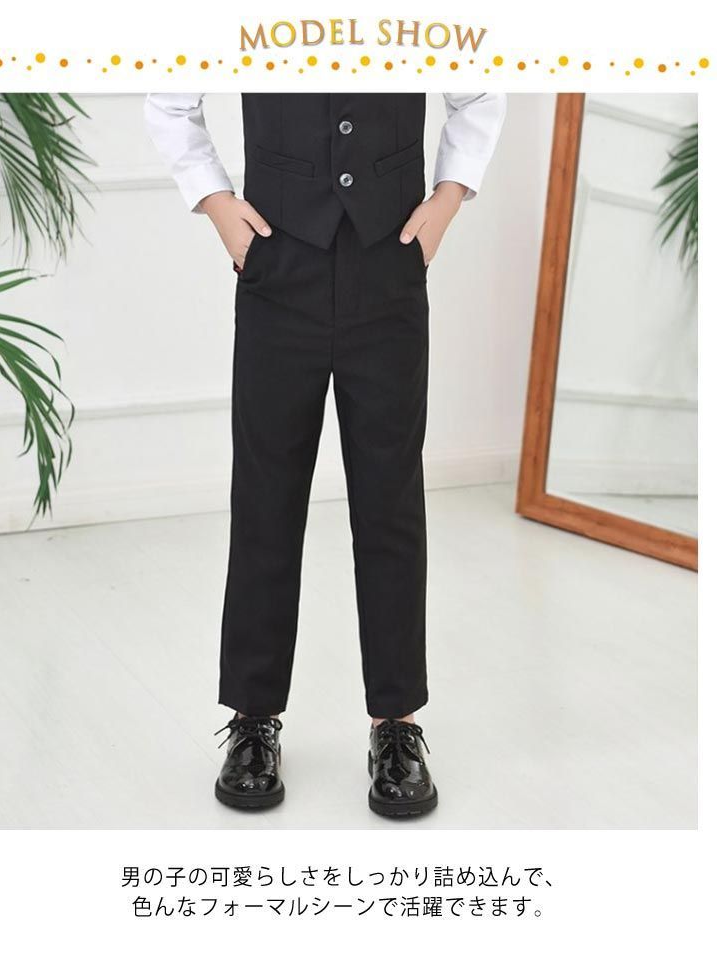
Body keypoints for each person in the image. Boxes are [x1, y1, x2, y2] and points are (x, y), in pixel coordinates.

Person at [145, 91, 506, 817]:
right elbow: (169, 95)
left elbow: (479, 88)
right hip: (278, 265)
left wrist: (447, 199)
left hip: (389, 265)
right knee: (265, 500)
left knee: (390, 502)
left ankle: (396, 722)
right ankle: (252, 717)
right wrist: (216, 203)